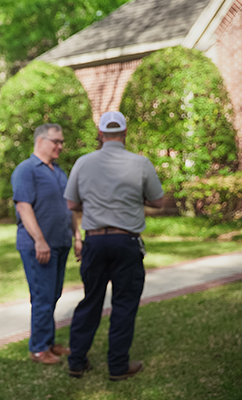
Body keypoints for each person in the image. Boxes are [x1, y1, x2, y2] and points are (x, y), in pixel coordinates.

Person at [64, 111, 164, 380]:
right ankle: (118, 366)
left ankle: (77, 361)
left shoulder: (83, 163)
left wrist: (95, 202)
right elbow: (158, 201)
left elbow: (71, 203)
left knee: (91, 300)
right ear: (125, 133)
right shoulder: (140, 163)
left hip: (94, 241)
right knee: (124, 303)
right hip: (126, 241)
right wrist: (134, 198)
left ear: (100, 134)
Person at [11, 123, 82, 365]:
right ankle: (39, 348)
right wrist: (40, 241)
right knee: (42, 296)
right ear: (40, 141)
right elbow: (24, 207)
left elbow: (69, 207)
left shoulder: (58, 172)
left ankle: (48, 342)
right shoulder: (26, 170)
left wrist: (77, 236)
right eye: (56, 141)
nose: (60, 146)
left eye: (61, 142)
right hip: (39, 247)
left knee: (53, 295)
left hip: (60, 242)